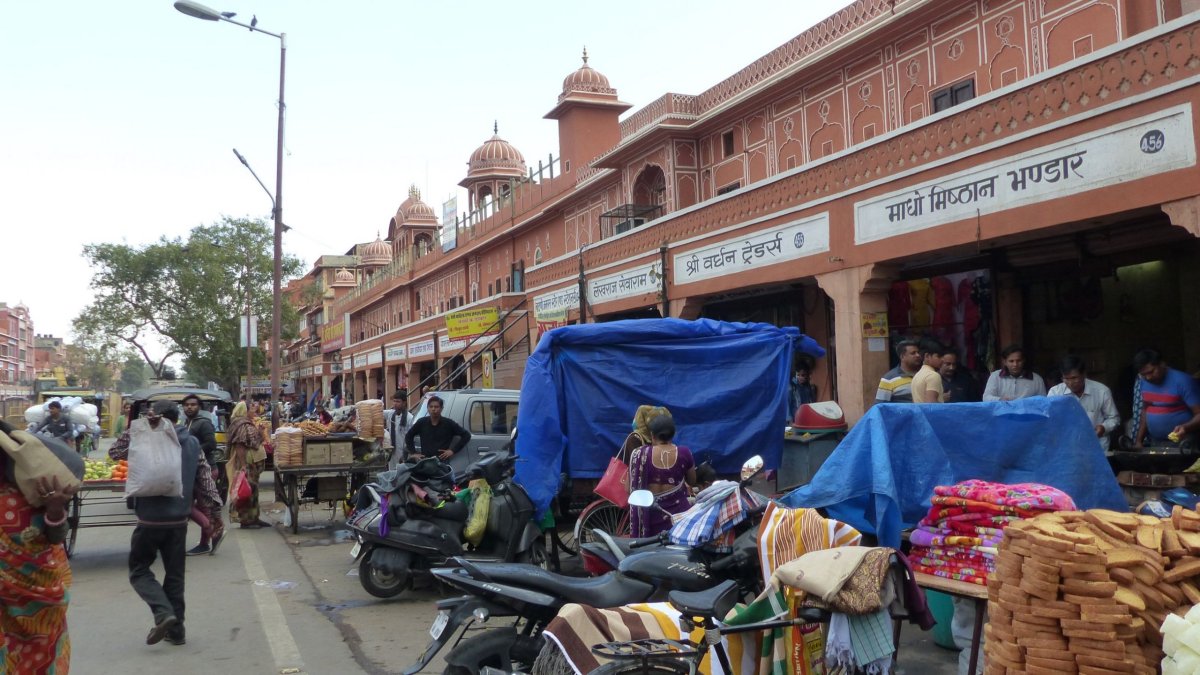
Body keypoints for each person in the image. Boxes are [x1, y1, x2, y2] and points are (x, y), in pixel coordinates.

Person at [0, 420, 81, 671]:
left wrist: (55, 510)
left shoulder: (34, 486)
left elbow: (56, 536)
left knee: (41, 660)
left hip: (39, 595)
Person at [127, 400, 198, 647]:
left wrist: (144, 428)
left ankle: (162, 613)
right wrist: (210, 514)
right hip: (179, 519)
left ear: (154, 416)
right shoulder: (192, 441)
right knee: (175, 574)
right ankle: (177, 631)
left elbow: (116, 452)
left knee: (139, 570)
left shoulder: (142, 438)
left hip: (149, 519)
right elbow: (204, 476)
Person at [628, 414, 696, 538]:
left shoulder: (639, 454)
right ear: (673, 434)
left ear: (652, 435)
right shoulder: (684, 453)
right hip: (678, 520)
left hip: (649, 520)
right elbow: (692, 481)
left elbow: (629, 489)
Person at [1047, 355, 1120, 453]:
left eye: (1074, 378)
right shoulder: (1055, 393)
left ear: (1084, 374)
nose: (1070, 383)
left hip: (1097, 448)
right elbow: (1049, 420)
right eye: (1066, 378)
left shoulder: (1102, 391)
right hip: (1067, 449)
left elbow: (1114, 418)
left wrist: (1103, 428)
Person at [1133, 348, 1200, 446]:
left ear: (1162, 364)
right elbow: (1146, 409)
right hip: (1156, 442)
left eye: (1151, 372)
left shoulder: (1183, 381)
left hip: (1184, 442)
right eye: (1143, 375)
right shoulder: (1144, 382)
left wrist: (1185, 427)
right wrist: (1139, 440)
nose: (1148, 377)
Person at [226, 401, 269, 528]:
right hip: (248, 463)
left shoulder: (246, 423)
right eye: (251, 408)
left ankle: (254, 517)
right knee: (247, 491)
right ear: (244, 411)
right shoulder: (242, 425)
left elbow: (254, 442)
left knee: (253, 491)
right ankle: (245, 520)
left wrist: (260, 433)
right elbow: (240, 445)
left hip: (252, 463)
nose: (254, 410)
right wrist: (244, 465)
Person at [404, 395, 471, 462]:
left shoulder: (448, 423)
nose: (433, 409)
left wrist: (452, 451)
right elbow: (408, 436)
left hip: (442, 462)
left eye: (436, 407)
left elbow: (466, 435)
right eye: (431, 407)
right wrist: (413, 453)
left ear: (441, 408)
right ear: (427, 408)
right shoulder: (421, 422)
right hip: (425, 461)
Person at [876, 339, 922, 404]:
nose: (918, 355)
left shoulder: (924, 374)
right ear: (902, 357)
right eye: (913, 353)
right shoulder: (889, 379)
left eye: (918, 352)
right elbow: (881, 406)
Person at [910, 338, 946, 403]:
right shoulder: (933, 375)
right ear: (927, 356)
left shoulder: (917, 376)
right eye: (939, 356)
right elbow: (931, 406)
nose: (943, 360)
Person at [384, 390, 411, 468]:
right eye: (394, 401)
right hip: (391, 452)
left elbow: (410, 438)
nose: (395, 404)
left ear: (404, 402)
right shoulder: (390, 414)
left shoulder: (409, 418)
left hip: (403, 453)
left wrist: (405, 454)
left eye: (398, 401)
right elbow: (378, 412)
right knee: (392, 474)